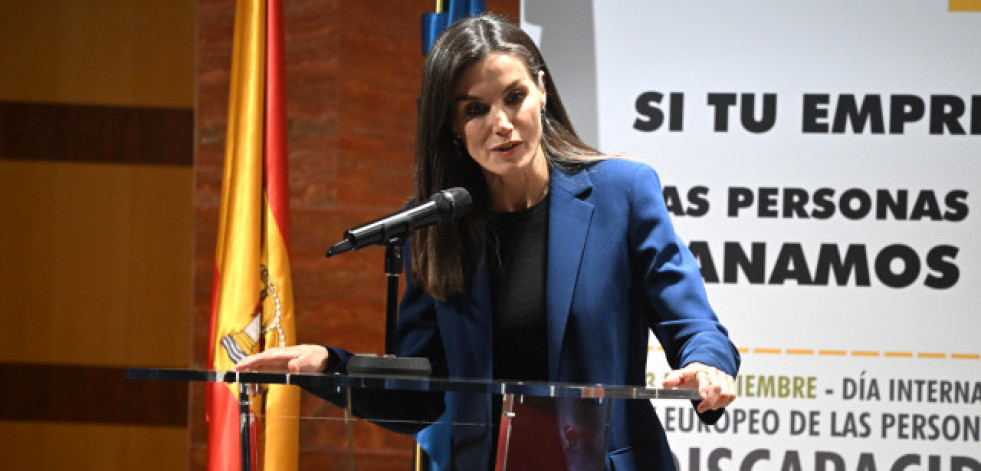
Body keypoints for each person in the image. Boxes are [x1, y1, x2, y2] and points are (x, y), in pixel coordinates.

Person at [235, 12, 739, 470]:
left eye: (514, 97)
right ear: (453, 126)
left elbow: (693, 323)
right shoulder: (436, 224)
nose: (501, 124)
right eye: (476, 109)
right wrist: (328, 367)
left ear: (541, 90)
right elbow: (423, 394)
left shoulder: (621, 194)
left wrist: (706, 366)